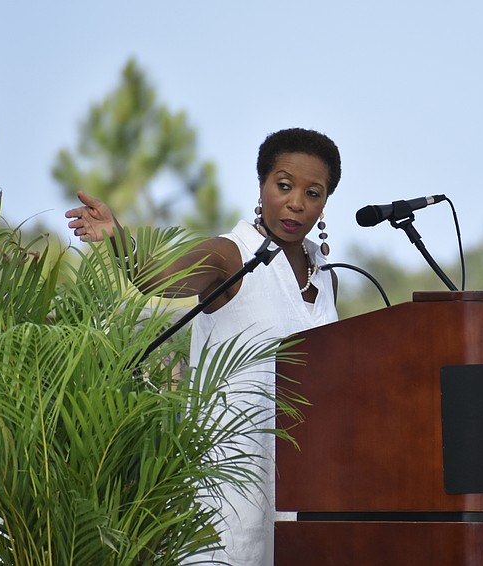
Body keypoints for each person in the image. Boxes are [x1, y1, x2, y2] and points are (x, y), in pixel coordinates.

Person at [65, 127, 341, 566]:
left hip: (303, 481)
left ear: (325, 203)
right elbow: (158, 278)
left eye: (313, 192)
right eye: (284, 185)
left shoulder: (327, 276)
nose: (296, 203)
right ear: (262, 185)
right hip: (231, 478)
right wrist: (120, 240)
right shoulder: (229, 254)